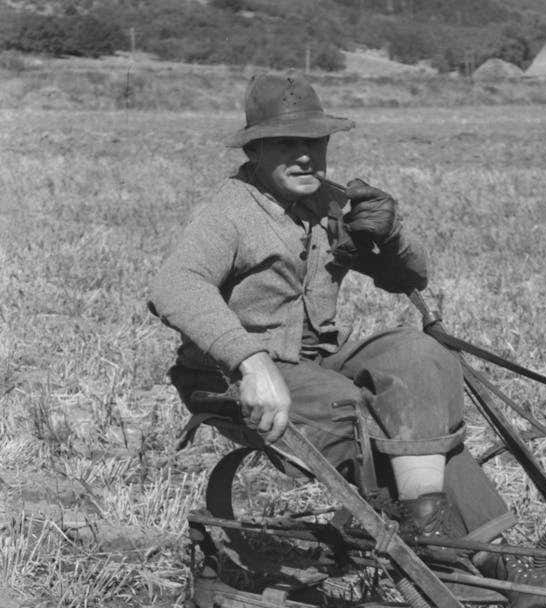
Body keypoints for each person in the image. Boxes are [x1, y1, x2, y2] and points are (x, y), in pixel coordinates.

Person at [149, 72, 510, 550]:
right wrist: (252, 363)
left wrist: (391, 236)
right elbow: (174, 285)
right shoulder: (231, 213)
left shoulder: (331, 204)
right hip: (230, 374)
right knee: (358, 411)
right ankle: (475, 559)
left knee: (417, 359)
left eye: (314, 143)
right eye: (285, 144)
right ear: (253, 152)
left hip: (317, 364)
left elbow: (410, 278)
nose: (304, 155)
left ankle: (445, 533)